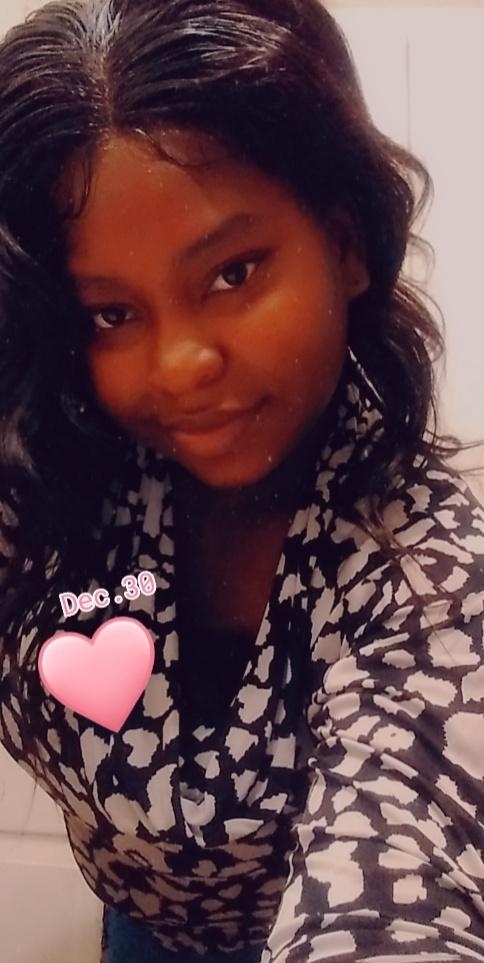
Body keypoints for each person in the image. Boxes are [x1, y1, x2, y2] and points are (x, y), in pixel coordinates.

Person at [0, 0, 483, 961]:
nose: (181, 365)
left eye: (233, 273)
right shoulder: (50, 469)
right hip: (136, 930)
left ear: (345, 243)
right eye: (111, 314)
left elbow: (400, 857)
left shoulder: (433, 571)